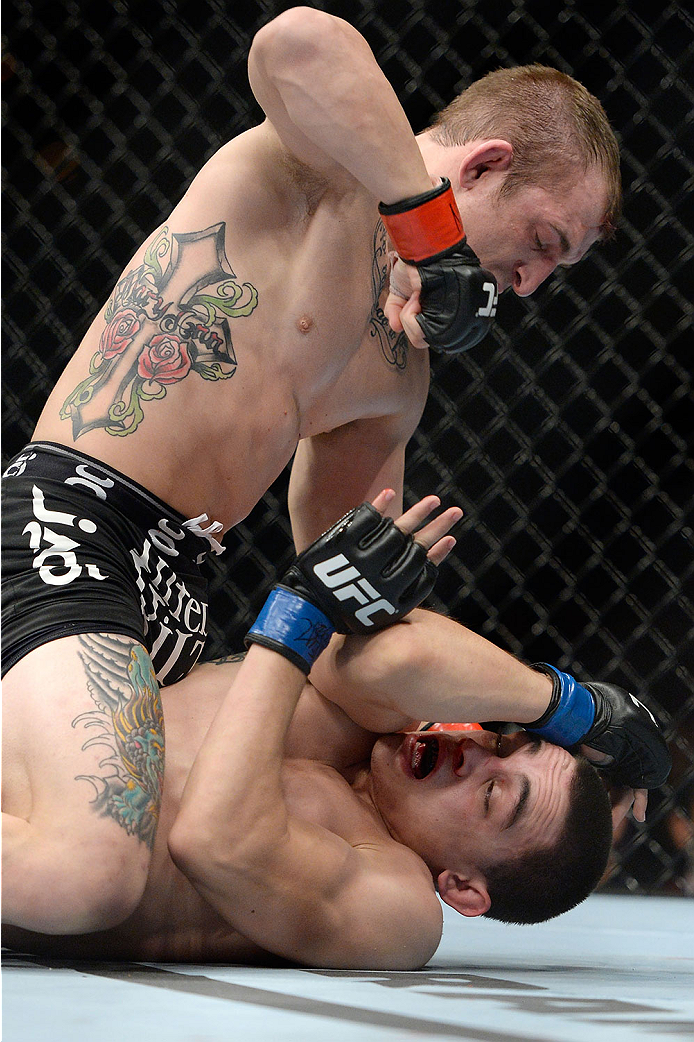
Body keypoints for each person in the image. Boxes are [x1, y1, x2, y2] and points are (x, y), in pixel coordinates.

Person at [1, 7, 636, 936]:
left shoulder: (398, 376)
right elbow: (293, 40)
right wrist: (428, 230)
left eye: (558, 271)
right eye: (543, 243)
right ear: (487, 164)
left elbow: (349, 617)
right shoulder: (323, 170)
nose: (531, 284)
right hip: (75, 517)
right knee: (86, 872)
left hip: (173, 599)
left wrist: (567, 709)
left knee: (304, 735)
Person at [2, 493, 669, 967]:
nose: (468, 753)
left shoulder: (397, 907)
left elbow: (214, 841)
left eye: (494, 797)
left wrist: (300, 614)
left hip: (37, 858)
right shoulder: (365, 719)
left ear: (465, 887)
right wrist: (571, 708)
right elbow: (395, 656)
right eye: (499, 739)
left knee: (90, 875)